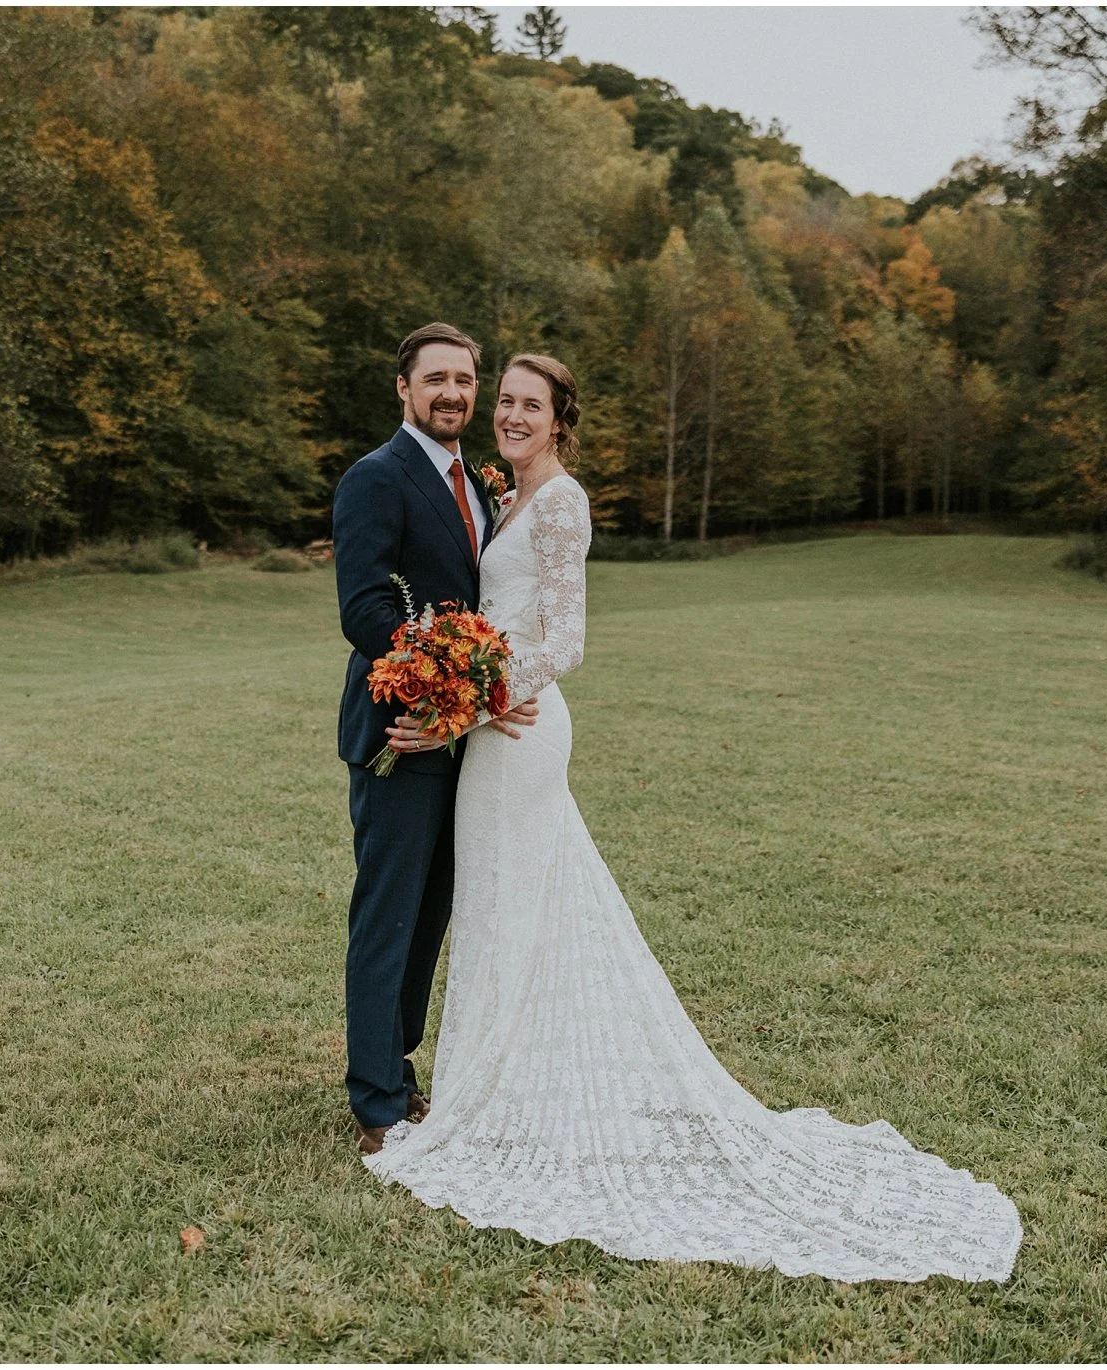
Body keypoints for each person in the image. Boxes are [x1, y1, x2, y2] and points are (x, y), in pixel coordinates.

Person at [360, 352, 1024, 1284]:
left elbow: (570, 640)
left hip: (519, 732)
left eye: (528, 405)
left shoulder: (560, 503)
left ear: (559, 420)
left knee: (513, 898)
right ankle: (493, 1085)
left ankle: (493, 1099)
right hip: (497, 729)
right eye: (502, 401)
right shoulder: (502, 495)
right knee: (506, 903)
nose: (508, 415)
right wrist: (467, 686)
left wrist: (471, 702)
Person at [331, 322, 539, 1156]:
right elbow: (367, 611)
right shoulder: (375, 478)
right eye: (436, 380)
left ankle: (399, 1068)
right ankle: (375, 1100)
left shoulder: (477, 483)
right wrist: (440, 696)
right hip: (402, 731)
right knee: (388, 914)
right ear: (403, 389)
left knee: (432, 914)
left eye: (464, 380)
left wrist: (469, 708)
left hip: (461, 735)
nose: (453, 393)